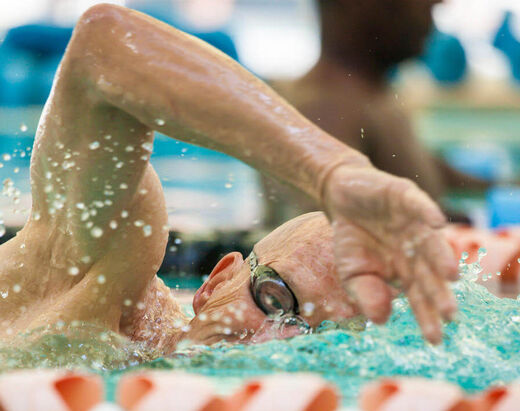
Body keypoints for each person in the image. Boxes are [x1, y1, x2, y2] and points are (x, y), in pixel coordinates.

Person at [0, 4, 458, 353]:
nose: (272, 345)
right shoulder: (104, 287)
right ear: (216, 281)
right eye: (275, 300)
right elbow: (103, 45)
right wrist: (333, 169)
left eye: (317, 342)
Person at [264, 0, 489, 225]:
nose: (438, 4)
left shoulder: (371, 95)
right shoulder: (324, 111)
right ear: (357, 5)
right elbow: (328, 240)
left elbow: (427, 169)